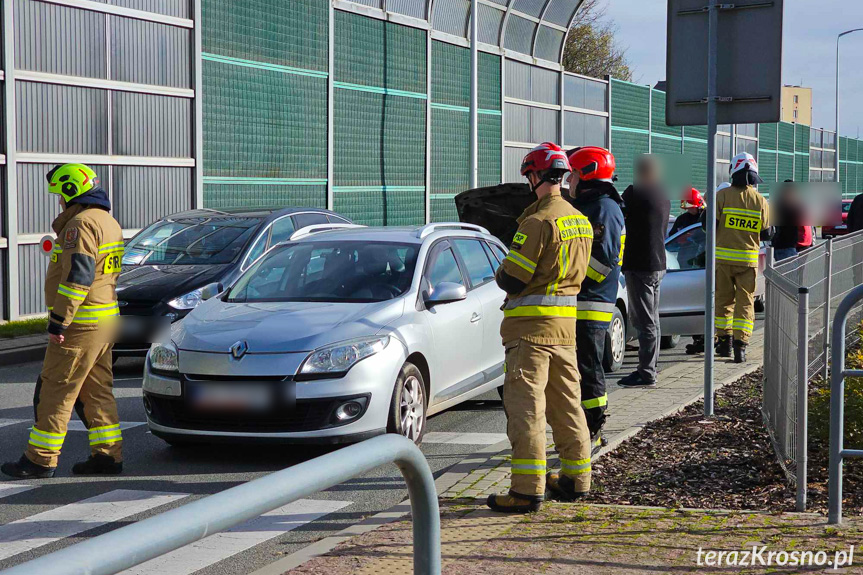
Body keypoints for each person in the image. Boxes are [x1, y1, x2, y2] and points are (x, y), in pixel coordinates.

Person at [487, 142, 593, 513]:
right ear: (562, 176)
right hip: (565, 332)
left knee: (527, 412)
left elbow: (513, 278)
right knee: (568, 407)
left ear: (534, 176)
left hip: (529, 333)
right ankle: (576, 480)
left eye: (529, 175)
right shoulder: (578, 219)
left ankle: (526, 491)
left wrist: (500, 268)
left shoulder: (536, 222)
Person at [1, 164, 125, 479]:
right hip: (105, 321)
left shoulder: (80, 225)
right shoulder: (108, 221)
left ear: (71, 192)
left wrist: (59, 321)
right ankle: (108, 456)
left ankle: (40, 460)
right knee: (96, 391)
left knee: (55, 390)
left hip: (80, 325)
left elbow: (77, 278)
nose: (59, 201)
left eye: (60, 194)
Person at [566, 146, 624, 454]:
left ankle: (595, 428)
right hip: (582, 300)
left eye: (572, 174)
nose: (568, 181)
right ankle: (584, 428)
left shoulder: (602, 208)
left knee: (589, 368)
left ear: (585, 174)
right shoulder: (593, 205)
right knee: (581, 368)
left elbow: (602, 261)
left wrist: (570, 276)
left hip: (591, 301)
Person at [618, 155, 670, 388]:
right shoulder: (663, 195)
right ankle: (650, 368)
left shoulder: (636, 194)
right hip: (658, 263)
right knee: (653, 320)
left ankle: (647, 372)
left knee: (645, 321)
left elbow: (618, 207)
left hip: (641, 264)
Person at [714, 153, 771, 363]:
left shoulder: (722, 196)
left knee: (723, 301)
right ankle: (741, 347)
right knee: (745, 302)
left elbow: (707, 225)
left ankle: (725, 342)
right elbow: (767, 233)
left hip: (723, 261)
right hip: (748, 262)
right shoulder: (760, 201)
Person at [770, 181, 809, 261]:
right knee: (789, 272)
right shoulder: (788, 207)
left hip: (782, 246)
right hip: (786, 247)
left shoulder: (777, 205)